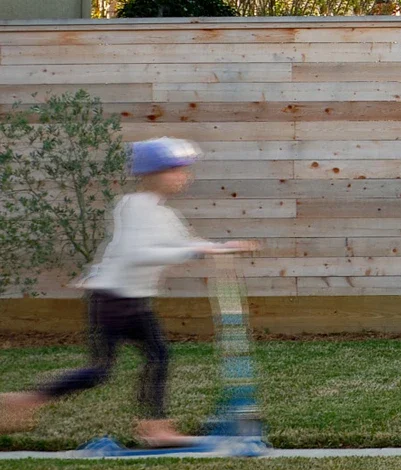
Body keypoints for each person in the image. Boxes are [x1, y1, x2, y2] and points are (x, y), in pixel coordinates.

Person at [0, 137, 256, 447]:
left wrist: (221, 248)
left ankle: (155, 429)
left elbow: (184, 244)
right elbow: (140, 253)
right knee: (100, 371)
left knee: (159, 356)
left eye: (184, 170)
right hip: (111, 300)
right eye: (173, 170)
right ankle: (25, 401)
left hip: (135, 301)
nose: (182, 176)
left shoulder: (165, 214)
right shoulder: (133, 206)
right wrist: (196, 251)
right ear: (150, 173)